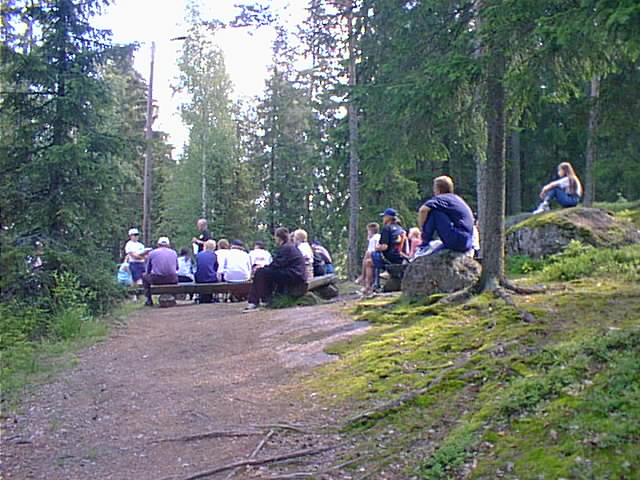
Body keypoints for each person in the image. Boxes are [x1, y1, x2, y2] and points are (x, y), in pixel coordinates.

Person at [244, 227, 306, 312]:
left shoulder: (286, 248)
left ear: (278, 238)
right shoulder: (289, 246)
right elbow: (279, 264)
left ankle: (253, 302)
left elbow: (277, 264)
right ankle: (266, 299)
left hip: (294, 275)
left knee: (260, 272)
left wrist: (263, 268)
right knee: (268, 272)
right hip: (296, 274)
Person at [415, 176, 475, 257]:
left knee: (435, 212)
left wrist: (422, 229)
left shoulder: (442, 198)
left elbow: (423, 210)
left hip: (457, 239)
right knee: (433, 254)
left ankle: (424, 244)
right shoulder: (457, 199)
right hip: (467, 242)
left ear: (438, 189)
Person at [360, 208, 407, 296]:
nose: (383, 218)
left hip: (390, 258)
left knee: (369, 261)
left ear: (388, 218)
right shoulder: (400, 229)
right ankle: (373, 284)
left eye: (384, 216)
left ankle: (368, 287)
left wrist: (377, 247)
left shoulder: (387, 228)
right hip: (401, 257)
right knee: (370, 257)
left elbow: (384, 247)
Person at [143, 237, 178, 306]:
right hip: (171, 279)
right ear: (168, 245)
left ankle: (149, 300)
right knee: (176, 277)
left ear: (158, 244)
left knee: (144, 277)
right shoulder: (174, 252)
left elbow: (148, 270)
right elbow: (177, 268)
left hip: (157, 279)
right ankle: (173, 297)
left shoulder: (152, 253)